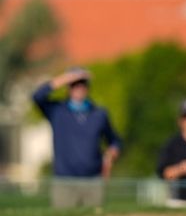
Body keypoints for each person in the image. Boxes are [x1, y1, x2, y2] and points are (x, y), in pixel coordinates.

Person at [32, 67, 121, 208]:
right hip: (64, 181)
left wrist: (112, 152)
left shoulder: (99, 114)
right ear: (69, 88)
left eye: (82, 84)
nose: (79, 88)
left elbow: (114, 140)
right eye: (74, 85)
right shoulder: (57, 111)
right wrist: (66, 78)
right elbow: (37, 96)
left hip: (93, 181)